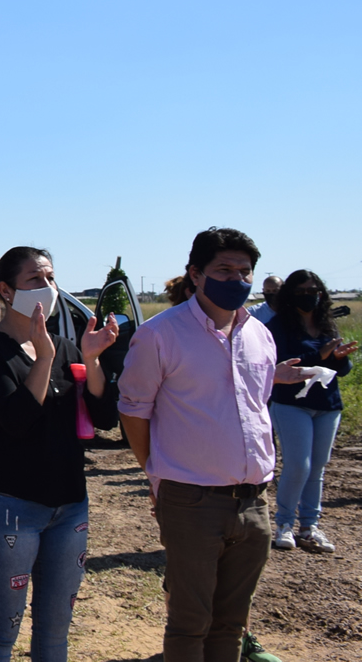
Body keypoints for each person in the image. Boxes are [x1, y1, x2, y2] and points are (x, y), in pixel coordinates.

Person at [117, 228, 315, 662]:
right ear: (195, 273)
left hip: (254, 501)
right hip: (192, 500)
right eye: (224, 269)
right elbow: (133, 411)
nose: (237, 279)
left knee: (232, 622)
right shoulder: (160, 334)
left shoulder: (258, 334)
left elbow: (251, 403)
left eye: (245, 271)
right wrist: (155, 472)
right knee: (191, 622)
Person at [0, 247, 121, 662]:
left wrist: (92, 359)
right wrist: (44, 357)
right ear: (6, 289)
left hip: (69, 506)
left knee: (55, 633)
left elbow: (105, 418)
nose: (48, 287)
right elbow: (17, 420)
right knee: (0, 633)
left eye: (50, 278)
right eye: (35, 279)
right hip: (9, 506)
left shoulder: (68, 348)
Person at [267, 269, 355, 553]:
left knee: (317, 466)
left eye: (313, 291)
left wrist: (339, 358)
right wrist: (320, 355)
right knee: (298, 465)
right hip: (291, 403)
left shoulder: (327, 325)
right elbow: (282, 364)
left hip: (327, 405)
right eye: (302, 291)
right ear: (290, 295)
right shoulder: (278, 326)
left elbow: (340, 370)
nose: (308, 296)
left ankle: (309, 526)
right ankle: (284, 524)